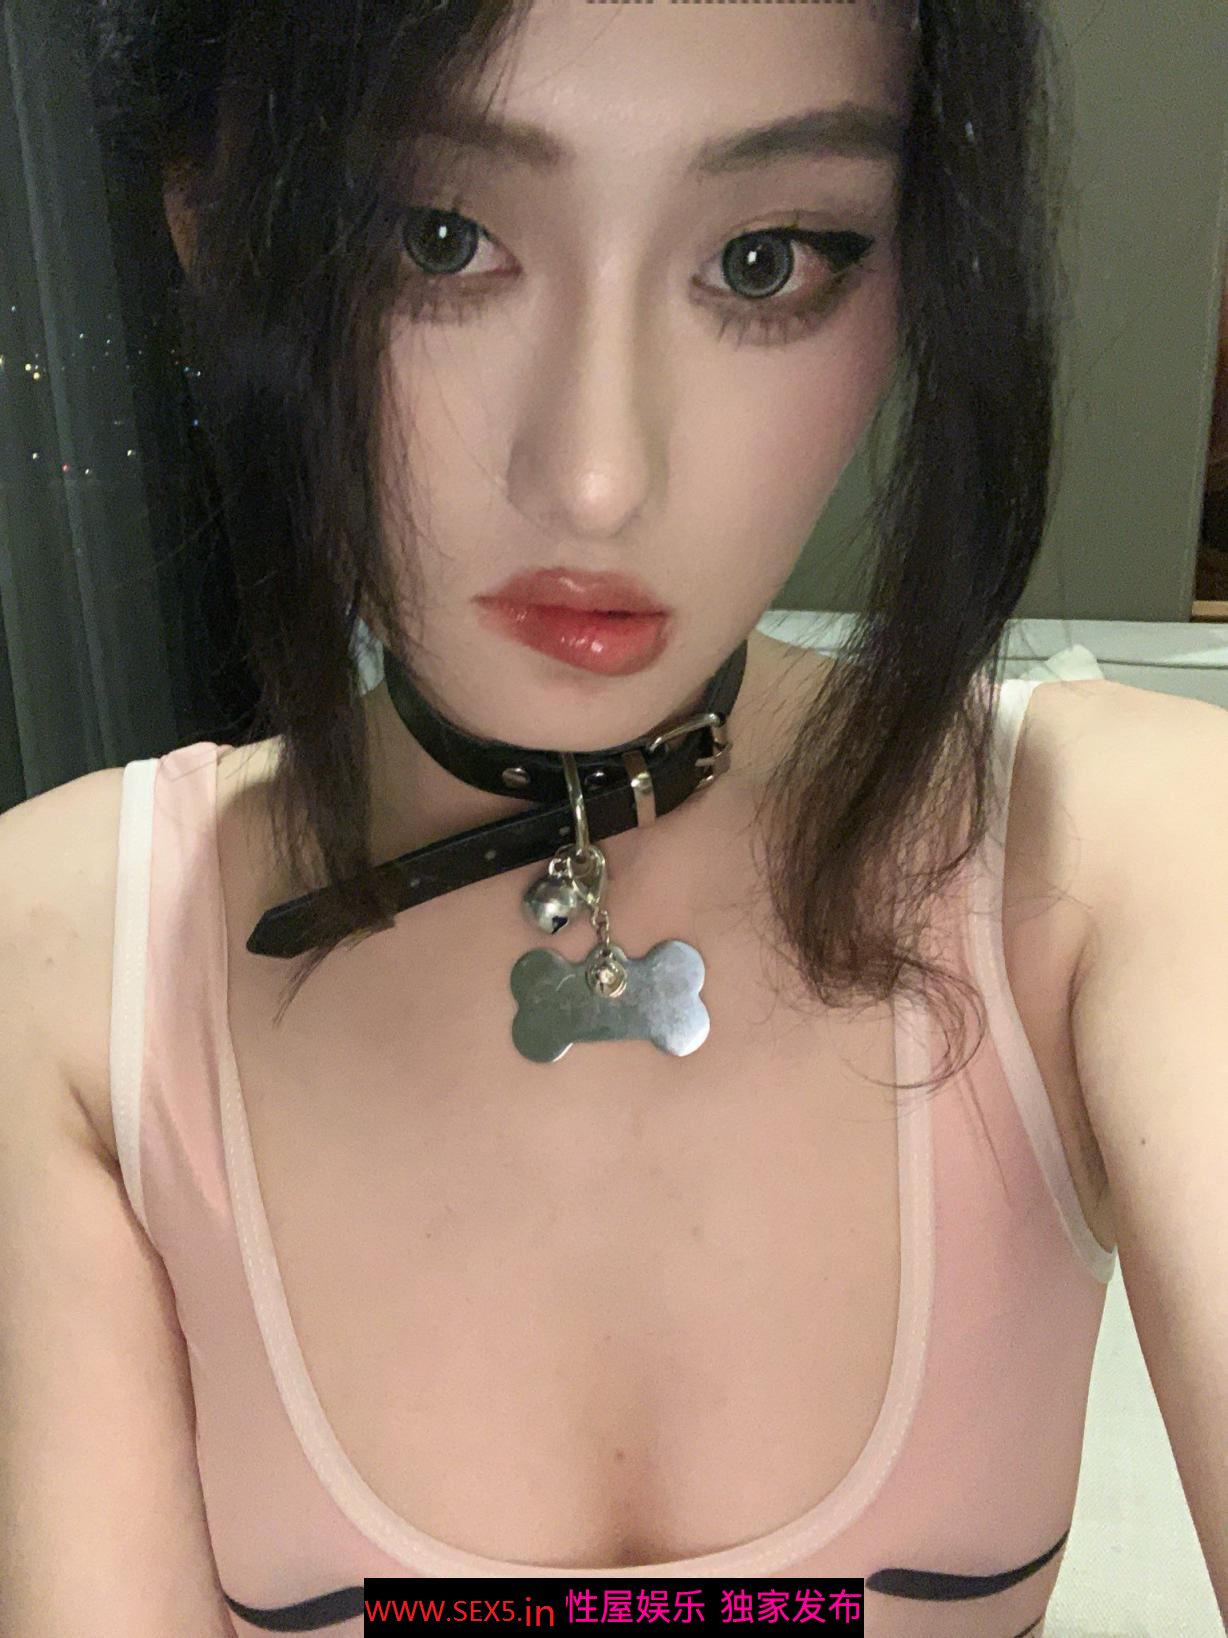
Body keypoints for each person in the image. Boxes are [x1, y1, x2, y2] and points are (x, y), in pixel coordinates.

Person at [2, 3, 1226, 1635]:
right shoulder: (61, 970)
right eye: (441, 238)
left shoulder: (1129, 860)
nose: (595, 477)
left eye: (765, 263)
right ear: (212, 223)